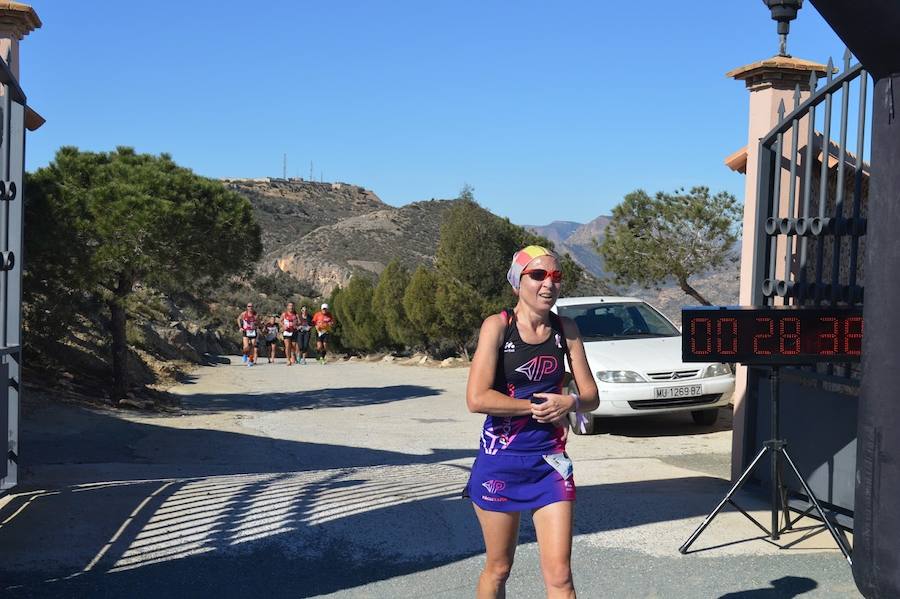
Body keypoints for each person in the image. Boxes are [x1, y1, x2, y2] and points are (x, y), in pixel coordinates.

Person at [464, 245, 599, 599]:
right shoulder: (498, 326)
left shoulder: (565, 329)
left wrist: (569, 401)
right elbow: (477, 398)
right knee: (499, 568)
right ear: (516, 282)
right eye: (537, 275)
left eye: (555, 277)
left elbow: (591, 395)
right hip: (501, 463)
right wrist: (533, 407)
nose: (548, 284)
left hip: (550, 464)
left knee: (561, 579)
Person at [236, 302, 259, 366]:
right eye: (249, 306)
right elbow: (238, 319)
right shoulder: (244, 314)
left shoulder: (255, 314)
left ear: (253, 307)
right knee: (246, 347)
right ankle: (245, 354)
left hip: (253, 332)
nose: (250, 307)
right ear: (247, 307)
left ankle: (251, 360)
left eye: (251, 306)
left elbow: (258, 322)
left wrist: (256, 325)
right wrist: (240, 327)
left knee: (253, 345)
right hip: (246, 331)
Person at [281, 302, 300, 366]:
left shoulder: (296, 315)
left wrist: (296, 325)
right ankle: (288, 360)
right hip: (286, 332)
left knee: (293, 346)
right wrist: (283, 325)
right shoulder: (284, 314)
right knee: (287, 346)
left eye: (292, 306)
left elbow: (299, 322)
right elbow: (280, 321)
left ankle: (293, 354)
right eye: (290, 306)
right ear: (287, 307)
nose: (291, 307)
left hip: (294, 331)